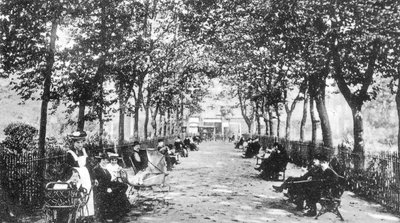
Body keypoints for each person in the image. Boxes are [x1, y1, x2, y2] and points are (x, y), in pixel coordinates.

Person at [64, 130, 95, 218]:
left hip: (86, 176)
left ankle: (86, 214)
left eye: (82, 142)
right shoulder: (70, 153)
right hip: (76, 177)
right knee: (79, 194)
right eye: (78, 142)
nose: (80, 145)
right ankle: (77, 215)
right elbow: (68, 169)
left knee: (88, 192)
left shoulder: (84, 151)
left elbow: (89, 166)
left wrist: (93, 177)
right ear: (73, 143)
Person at [93, 153, 130, 222]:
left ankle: (120, 211)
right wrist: (107, 188)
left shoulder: (105, 168)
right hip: (102, 190)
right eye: (103, 160)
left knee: (124, 186)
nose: (105, 161)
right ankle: (114, 214)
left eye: (106, 160)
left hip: (108, 186)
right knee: (116, 193)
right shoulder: (97, 169)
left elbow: (109, 180)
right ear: (100, 160)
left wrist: (116, 184)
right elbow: (98, 183)